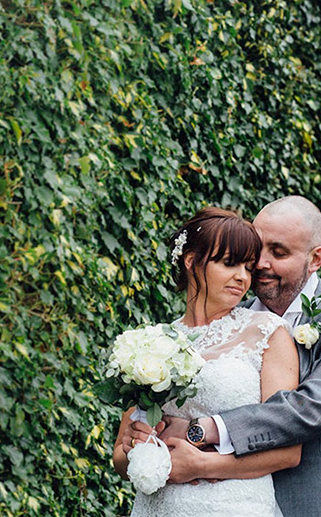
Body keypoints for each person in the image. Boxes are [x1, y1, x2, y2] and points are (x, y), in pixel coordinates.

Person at [158, 196, 321, 517]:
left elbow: (310, 407)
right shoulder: (229, 322)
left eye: (279, 252)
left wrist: (201, 429)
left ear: (316, 258)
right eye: (257, 248)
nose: (260, 263)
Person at [113, 207, 302, 516]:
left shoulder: (269, 333)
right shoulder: (150, 345)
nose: (242, 277)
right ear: (192, 261)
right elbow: (120, 459)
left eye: (248, 267)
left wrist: (200, 465)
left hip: (235, 506)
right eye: (229, 263)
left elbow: (287, 451)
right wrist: (137, 445)